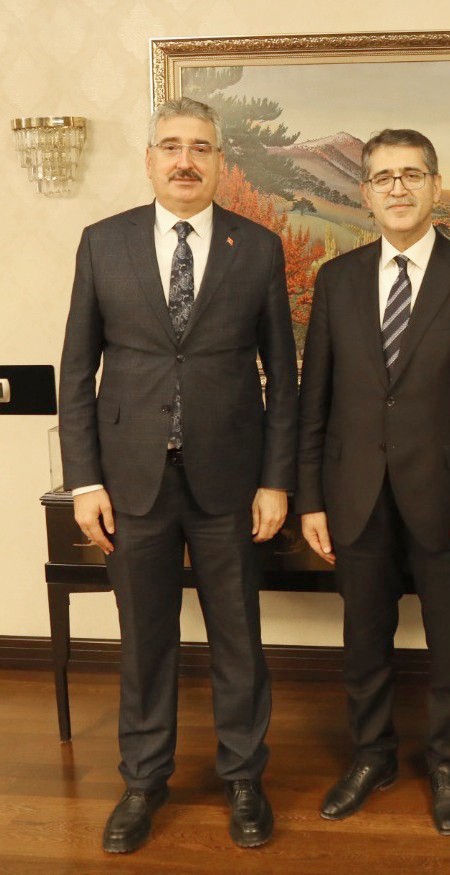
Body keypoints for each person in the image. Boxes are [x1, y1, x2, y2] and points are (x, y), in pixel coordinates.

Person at [58, 97, 298, 853]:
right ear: (150, 159)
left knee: (238, 636)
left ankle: (243, 776)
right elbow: (76, 372)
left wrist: (276, 480)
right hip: (131, 481)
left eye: (200, 147)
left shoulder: (257, 248)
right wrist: (84, 482)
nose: (185, 160)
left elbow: (282, 376)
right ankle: (142, 780)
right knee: (144, 638)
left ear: (221, 162)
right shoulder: (103, 242)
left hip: (231, 479)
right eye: (171, 146)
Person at [296, 129, 450, 835]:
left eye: (411, 174)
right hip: (354, 494)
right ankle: (373, 757)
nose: (397, 188)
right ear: (365, 193)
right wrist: (310, 498)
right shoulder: (336, 280)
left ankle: (449, 764)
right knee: (363, 641)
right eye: (383, 177)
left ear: (434, 186)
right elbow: (314, 401)